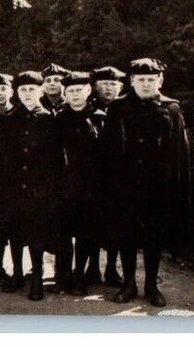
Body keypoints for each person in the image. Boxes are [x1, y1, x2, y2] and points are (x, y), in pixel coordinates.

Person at [100, 58, 192, 308]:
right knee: (126, 235)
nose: (146, 84)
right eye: (140, 80)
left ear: (160, 81)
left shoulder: (171, 109)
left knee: (154, 237)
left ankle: (151, 286)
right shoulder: (118, 108)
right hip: (125, 184)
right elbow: (107, 149)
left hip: (157, 186)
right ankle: (128, 283)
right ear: (131, 82)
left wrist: (176, 186)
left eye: (151, 80)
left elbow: (180, 153)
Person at [0, 71, 64, 300]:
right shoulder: (8, 120)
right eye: (23, 90)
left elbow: (56, 159)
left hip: (39, 188)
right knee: (15, 233)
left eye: (32, 90)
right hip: (13, 187)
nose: (27, 94)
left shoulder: (49, 119)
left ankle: (37, 278)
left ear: (41, 91)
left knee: (36, 234)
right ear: (16, 93)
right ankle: (17, 274)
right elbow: (2, 156)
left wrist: (49, 189)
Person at [55, 71, 104, 296]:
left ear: (88, 91)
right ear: (65, 94)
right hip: (64, 184)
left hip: (91, 186)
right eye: (70, 91)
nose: (74, 94)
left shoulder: (99, 117)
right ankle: (62, 274)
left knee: (86, 233)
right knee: (64, 232)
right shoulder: (58, 118)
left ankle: (79, 275)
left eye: (79, 90)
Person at [88, 65, 126, 287]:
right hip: (94, 175)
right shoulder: (88, 108)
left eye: (113, 84)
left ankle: (111, 269)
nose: (109, 88)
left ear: (120, 86)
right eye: (104, 84)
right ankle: (92, 268)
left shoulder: (125, 109)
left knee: (116, 225)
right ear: (95, 86)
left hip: (119, 177)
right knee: (92, 224)